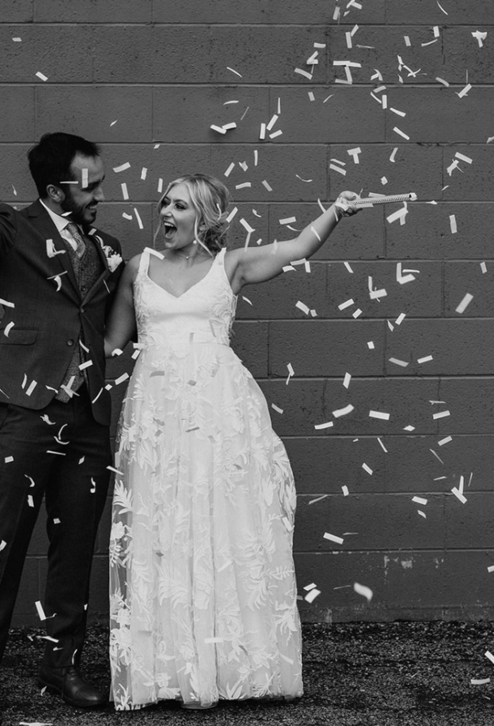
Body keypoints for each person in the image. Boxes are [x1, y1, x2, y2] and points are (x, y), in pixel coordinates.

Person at [103, 174, 363, 711]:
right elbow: (108, 343)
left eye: (178, 206)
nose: (165, 213)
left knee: (223, 522)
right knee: (164, 527)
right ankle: (168, 670)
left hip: (222, 413)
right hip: (156, 417)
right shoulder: (137, 269)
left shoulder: (231, 266)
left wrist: (335, 211)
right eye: (164, 204)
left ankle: (233, 666)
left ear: (204, 217)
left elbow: (296, 246)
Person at [0, 115, 125, 726]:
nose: (99, 194)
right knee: (4, 542)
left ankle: (60, 663)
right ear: (55, 189)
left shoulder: (107, 247)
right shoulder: (8, 228)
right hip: (26, 410)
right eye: (89, 184)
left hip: (90, 415)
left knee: (74, 546)